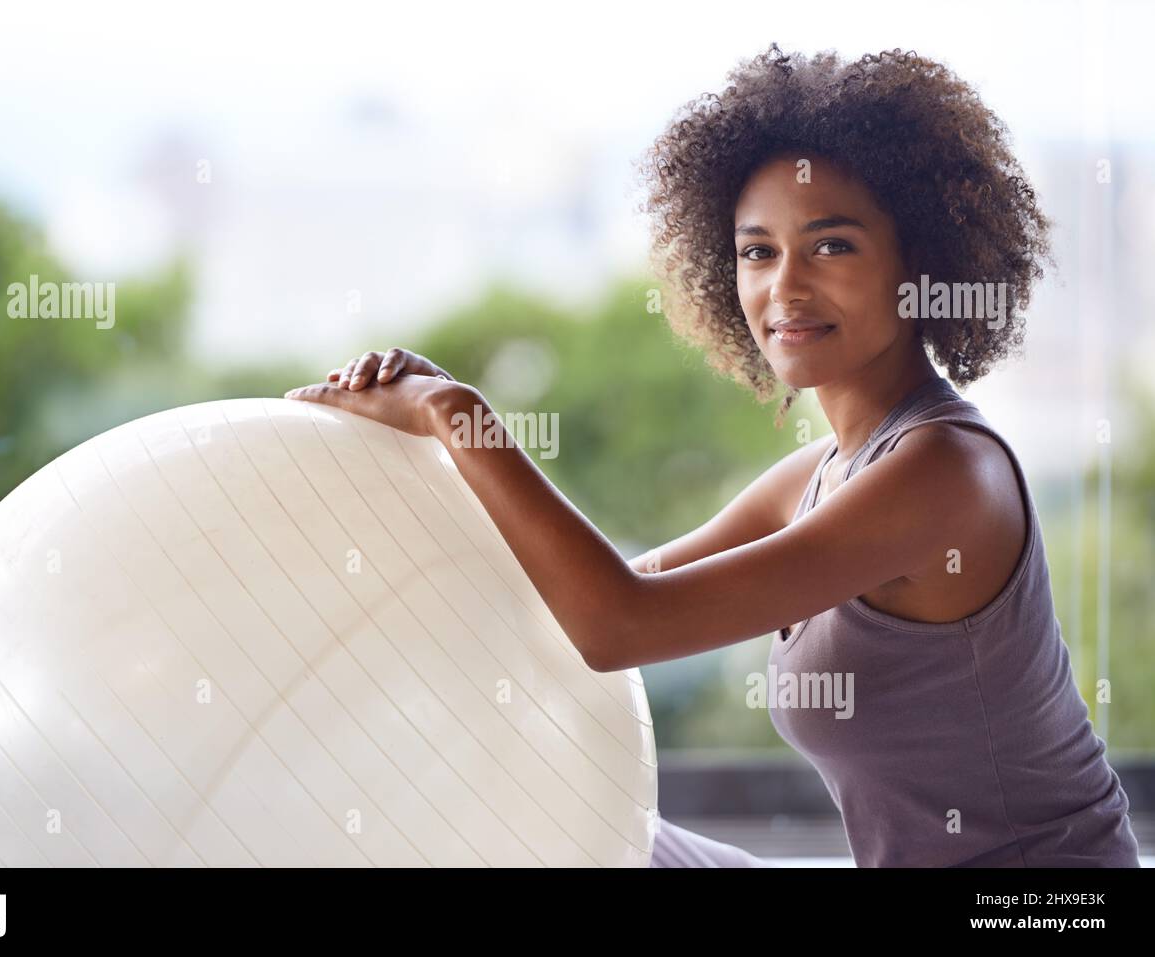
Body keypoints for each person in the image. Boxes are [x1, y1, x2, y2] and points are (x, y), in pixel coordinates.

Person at [285, 44, 1140, 867]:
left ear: (918, 261)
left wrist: (455, 413)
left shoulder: (948, 475)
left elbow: (620, 626)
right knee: (603, 849)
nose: (786, 287)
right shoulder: (816, 479)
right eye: (758, 251)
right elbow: (578, 599)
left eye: (833, 245)